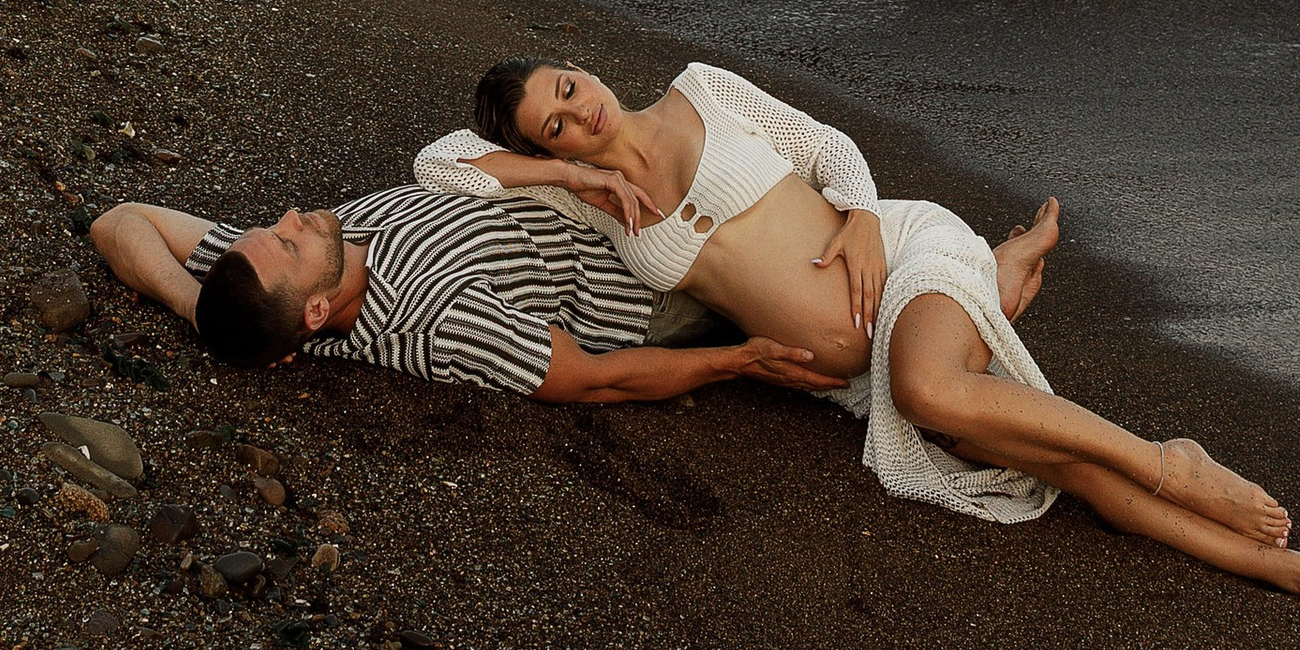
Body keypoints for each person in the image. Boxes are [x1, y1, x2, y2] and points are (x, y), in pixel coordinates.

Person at [413, 57, 1300, 643]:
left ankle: (1170, 459)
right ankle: (1295, 574)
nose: (580, 111)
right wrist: (572, 182)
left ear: (579, 65)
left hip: (900, 253)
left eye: (566, 86)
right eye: (556, 125)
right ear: (551, 147)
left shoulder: (698, 95)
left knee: (937, 390)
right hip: (857, 381)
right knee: (1056, 468)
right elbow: (439, 165)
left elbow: (830, 144)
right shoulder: (592, 205)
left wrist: (853, 218)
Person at [88, 183, 827, 408]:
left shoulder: (275, 275)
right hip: (658, 279)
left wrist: (192, 309)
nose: (287, 218)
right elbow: (591, 378)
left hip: (596, 207)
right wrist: (737, 359)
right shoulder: (442, 326)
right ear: (316, 313)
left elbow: (119, 220)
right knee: (835, 269)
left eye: (270, 224)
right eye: (286, 242)